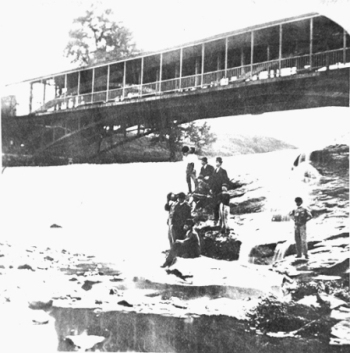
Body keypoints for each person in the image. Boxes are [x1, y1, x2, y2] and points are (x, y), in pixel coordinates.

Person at [210, 157, 230, 224]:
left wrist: (224, 186)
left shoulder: (223, 171)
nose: (217, 163)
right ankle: (216, 218)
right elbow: (212, 181)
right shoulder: (214, 171)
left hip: (220, 189)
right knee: (214, 204)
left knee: (221, 204)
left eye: (218, 162)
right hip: (214, 190)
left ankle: (222, 219)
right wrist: (211, 188)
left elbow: (226, 180)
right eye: (216, 162)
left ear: (221, 163)